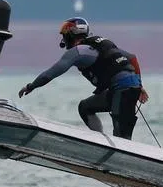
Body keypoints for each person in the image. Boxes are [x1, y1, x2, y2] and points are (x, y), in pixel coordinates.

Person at [17, 17, 148, 139]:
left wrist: (31, 86)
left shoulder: (77, 51)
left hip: (124, 91)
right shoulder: (99, 44)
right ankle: (100, 141)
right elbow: (132, 58)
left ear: (70, 35)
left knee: (122, 138)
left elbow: (51, 73)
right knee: (85, 107)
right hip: (123, 89)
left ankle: (118, 154)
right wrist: (139, 85)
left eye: (64, 35)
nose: (63, 39)